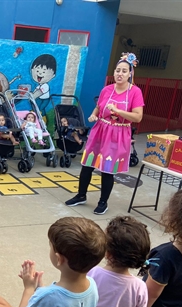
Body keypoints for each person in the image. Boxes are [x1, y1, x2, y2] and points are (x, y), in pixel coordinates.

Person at [65, 53, 144, 215]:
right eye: (117, 70)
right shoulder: (107, 89)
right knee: (87, 165)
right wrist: (94, 114)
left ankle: (103, 202)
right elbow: (99, 107)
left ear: (130, 74)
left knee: (107, 169)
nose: (120, 74)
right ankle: (81, 196)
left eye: (124, 71)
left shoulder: (135, 92)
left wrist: (118, 111)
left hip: (118, 133)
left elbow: (138, 116)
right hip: (100, 129)